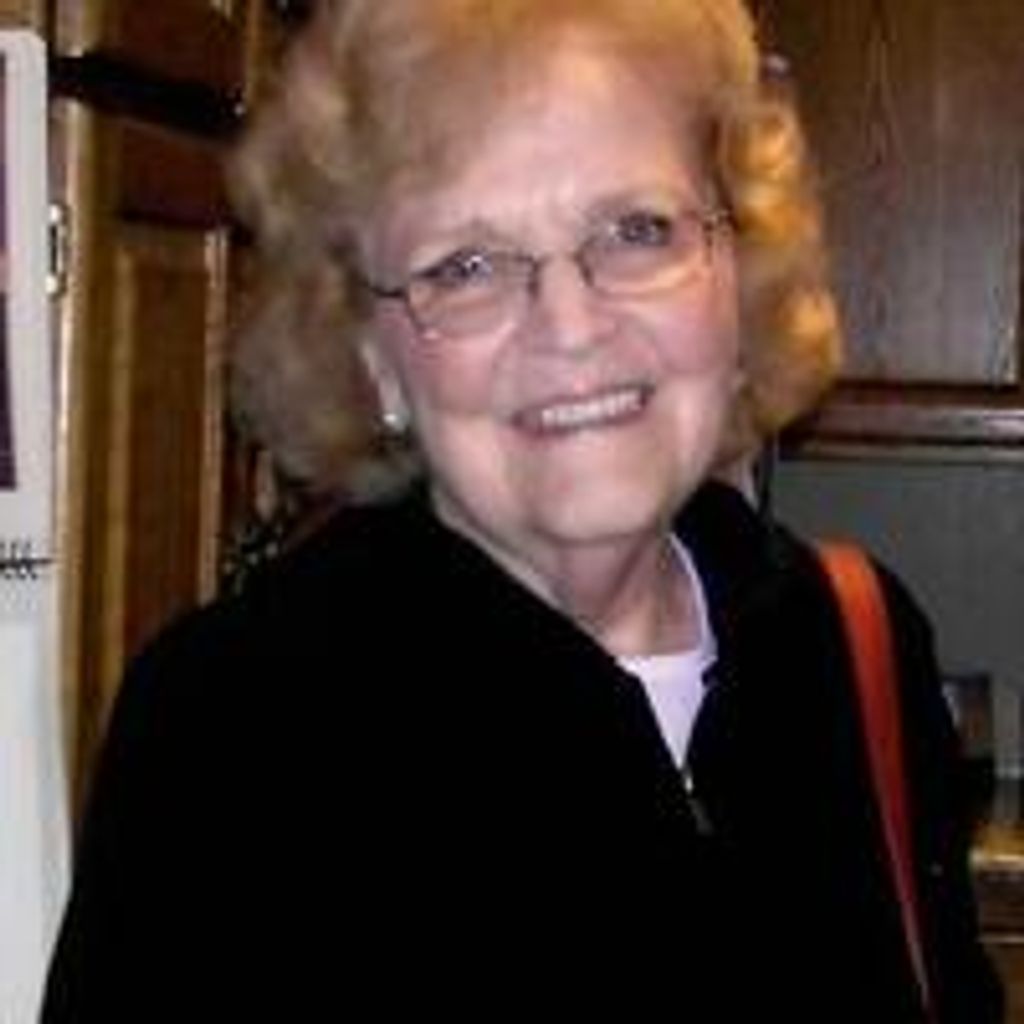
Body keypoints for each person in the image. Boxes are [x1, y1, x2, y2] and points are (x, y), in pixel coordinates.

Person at [43, 0, 1001, 1019]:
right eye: (466, 266)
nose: (572, 326)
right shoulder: (235, 729)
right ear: (372, 353)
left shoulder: (852, 647)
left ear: (739, 273)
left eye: (635, 230)